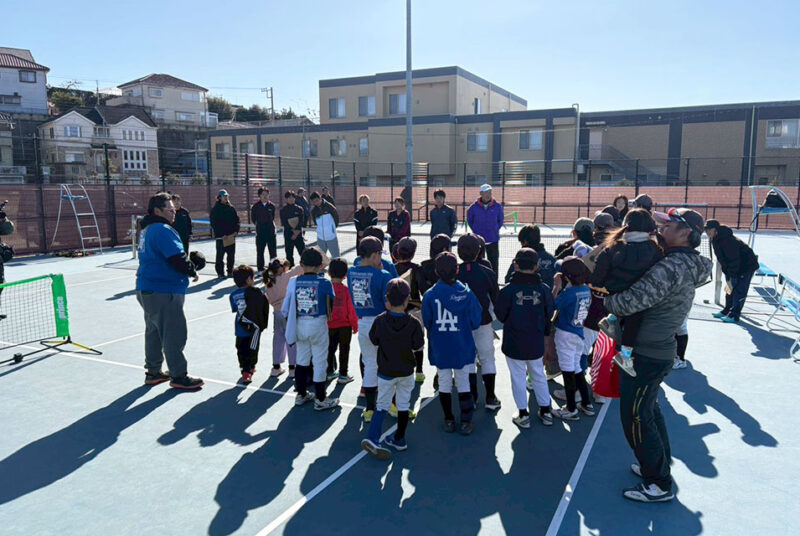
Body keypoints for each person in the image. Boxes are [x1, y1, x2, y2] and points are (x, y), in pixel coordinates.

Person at [604, 208, 711, 502]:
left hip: (646, 355)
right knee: (649, 411)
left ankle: (659, 483)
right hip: (658, 351)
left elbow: (627, 303)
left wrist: (603, 295)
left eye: (668, 226)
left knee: (635, 418)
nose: (660, 230)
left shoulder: (669, 268)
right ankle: (656, 466)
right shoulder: (686, 263)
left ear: (685, 234)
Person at [136, 192, 204, 390]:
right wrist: (192, 269)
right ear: (158, 211)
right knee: (173, 332)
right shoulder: (163, 230)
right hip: (164, 289)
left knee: (154, 331)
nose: (174, 212)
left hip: (147, 287)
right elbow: (176, 258)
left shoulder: (147, 229)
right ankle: (178, 375)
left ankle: (153, 371)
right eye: (170, 209)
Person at [593, 209, 663, 377]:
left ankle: (611, 319)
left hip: (614, 296)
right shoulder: (655, 250)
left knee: (624, 310)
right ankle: (625, 355)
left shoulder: (613, 247)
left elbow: (597, 278)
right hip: (640, 300)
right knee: (634, 321)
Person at [361, 278, 425, 459]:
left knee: (382, 404)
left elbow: (374, 340)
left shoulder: (380, 320)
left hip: (386, 371)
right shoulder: (414, 323)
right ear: (407, 300)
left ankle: (373, 438)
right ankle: (399, 439)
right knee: (403, 405)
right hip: (406, 371)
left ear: (387, 299)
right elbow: (418, 345)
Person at [422, 252, 482, 435]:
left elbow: (427, 321)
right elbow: (476, 320)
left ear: (436, 272)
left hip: (441, 346)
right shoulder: (467, 294)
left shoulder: (430, 295)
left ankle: (448, 419)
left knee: (444, 382)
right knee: (464, 382)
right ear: (457, 270)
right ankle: (466, 421)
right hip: (462, 345)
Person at [495, 248, 555, 428]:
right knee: (538, 374)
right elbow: (549, 313)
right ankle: (545, 411)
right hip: (535, 341)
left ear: (515, 265)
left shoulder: (508, 290)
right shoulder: (544, 289)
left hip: (514, 341)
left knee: (518, 377)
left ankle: (523, 414)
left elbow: (500, 315)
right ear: (536, 267)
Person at [281, 248, 339, 411]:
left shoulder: (293, 281)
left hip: (299, 323)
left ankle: (301, 394)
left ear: (301, 264)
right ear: (320, 266)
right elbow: (330, 304)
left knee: (301, 359)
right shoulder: (325, 282)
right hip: (318, 324)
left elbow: (286, 307)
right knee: (320, 361)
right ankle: (320, 398)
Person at [348, 236, 394, 422]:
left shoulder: (351, 272)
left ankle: (369, 409)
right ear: (375, 255)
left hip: (363, 324)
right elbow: (389, 304)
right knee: (388, 365)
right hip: (382, 323)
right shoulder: (383, 275)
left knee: (369, 364)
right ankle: (391, 404)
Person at [456, 233, 500, 410]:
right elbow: (496, 299)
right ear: (479, 251)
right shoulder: (487, 272)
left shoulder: (454, 272)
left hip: (461, 325)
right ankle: (490, 397)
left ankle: (472, 397)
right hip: (483, 322)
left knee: (468, 360)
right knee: (488, 359)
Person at [551, 257, 594, 421]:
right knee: (576, 368)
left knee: (567, 370)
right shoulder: (586, 290)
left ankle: (570, 409)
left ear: (567, 276)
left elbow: (552, 305)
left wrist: (556, 286)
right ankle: (586, 403)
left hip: (566, 334)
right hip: (578, 332)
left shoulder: (569, 293)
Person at [705, 219, 759, 323]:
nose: (707, 232)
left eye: (709, 230)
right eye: (706, 230)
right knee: (729, 289)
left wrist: (733, 275)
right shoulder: (715, 239)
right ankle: (726, 311)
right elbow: (722, 258)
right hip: (732, 268)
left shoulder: (727, 240)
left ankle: (734, 315)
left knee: (739, 291)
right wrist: (728, 273)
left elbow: (734, 259)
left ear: (715, 229)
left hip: (746, 267)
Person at [392, 237, 426, 383]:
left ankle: (401, 370)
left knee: (399, 342)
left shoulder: (391, 268)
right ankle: (419, 371)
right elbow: (424, 290)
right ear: (413, 253)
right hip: (415, 310)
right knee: (418, 342)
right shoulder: (417, 269)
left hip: (396, 310)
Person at [230, 265, 269, 384]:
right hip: (254, 327)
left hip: (240, 327)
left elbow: (235, 309)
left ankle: (245, 369)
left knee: (241, 349)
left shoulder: (233, 295)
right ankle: (249, 369)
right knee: (253, 348)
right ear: (248, 280)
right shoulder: (256, 292)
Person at [264, 258, 303, 378]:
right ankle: (292, 368)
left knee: (278, 339)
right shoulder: (287, 277)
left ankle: (276, 367)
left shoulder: (269, 282)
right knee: (291, 339)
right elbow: (300, 268)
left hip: (277, 313)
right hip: (288, 312)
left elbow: (269, 300)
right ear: (281, 268)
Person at [327, 258, 358, 384]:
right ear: (345, 275)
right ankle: (343, 374)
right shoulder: (346, 290)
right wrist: (355, 325)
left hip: (329, 325)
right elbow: (351, 310)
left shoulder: (326, 287)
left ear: (329, 273)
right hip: (345, 326)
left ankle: (329, 371)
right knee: (344, 350)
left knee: (330, 349)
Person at [466, 184, 504, 279]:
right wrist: (476, 231)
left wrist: (494, 229)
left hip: (493, 240)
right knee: (479, 263)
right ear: (481, 194)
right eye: (486, 192)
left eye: (490, 192)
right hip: (478, 241)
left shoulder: (498, 206)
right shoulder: (473, 207)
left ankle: (494, 282)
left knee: (494, 263)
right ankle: (480, 281)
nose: (488, 194)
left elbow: (500, 221)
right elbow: (470, 221)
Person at [504, 224, 556, 288]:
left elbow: (508, 280)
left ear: (525, 241)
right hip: (548, 293)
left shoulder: (520, 259)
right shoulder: (551, 259)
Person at [210, 189, 240, 278]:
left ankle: (230, 271)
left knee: (231, 255)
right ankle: (220, 273)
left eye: (227, 196)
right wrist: (221, 235)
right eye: (224, 196)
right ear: (219, 197)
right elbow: (214, 223)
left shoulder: (231, 208)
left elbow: (237, 220)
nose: (226, 197)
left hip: (231, 237)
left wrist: (236, 231)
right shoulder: (215, 209)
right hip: (221, 238)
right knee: (220, 256)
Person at [251, 187, 277, 271]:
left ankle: (273, 269)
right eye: (263, 194)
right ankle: (260, 269)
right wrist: (260, 226)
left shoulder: (272, 206)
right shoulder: (255, 207)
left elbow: (272, 217)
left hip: (270, 232)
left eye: (267, 194)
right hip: (260, 233)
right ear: (259, 196)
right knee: (260, 252)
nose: (265, 196)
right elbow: (253, 219)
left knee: (273, 252)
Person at [309, 191, 340, 258]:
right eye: (314, 202)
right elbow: (315, 222)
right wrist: (320, 231)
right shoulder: (313, 211)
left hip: (331, 236)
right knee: (320, 258)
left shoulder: (329, 206)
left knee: (336, 257)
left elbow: (336, 218)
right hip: (320, 238)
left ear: (320, 198)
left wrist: (332, 230)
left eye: (317, 200)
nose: (316, 203)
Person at [280, 190, 305, 266]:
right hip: (288, 235)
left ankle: (307, 267)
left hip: (298, 234)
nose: (291, 199)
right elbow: (284, 223)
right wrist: (293, 232)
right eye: (289, 198)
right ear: (286, 199)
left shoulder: (299, 209)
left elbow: (301, 222)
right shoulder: (283, 210)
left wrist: (296, 232)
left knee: (303, 253)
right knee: (289, 254)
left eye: (293, 197)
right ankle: (290, 269)